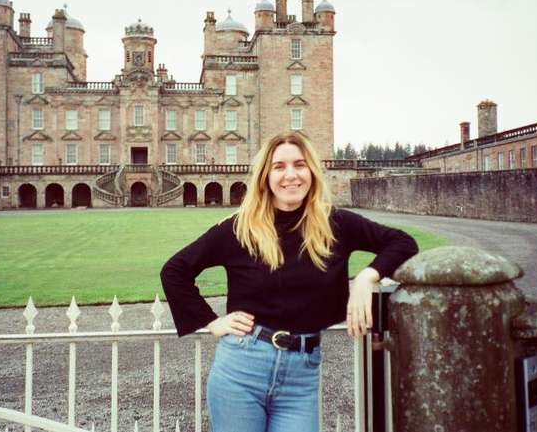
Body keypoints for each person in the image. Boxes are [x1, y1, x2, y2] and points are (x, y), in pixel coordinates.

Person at [160, 132, 418, 432]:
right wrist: (211, 322)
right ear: (265, 176)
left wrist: (367, 276)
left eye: (299, 164)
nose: (291, 175)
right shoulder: (239, 229)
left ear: (311, 171)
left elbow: (402, 243)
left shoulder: (336, 224)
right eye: (279, 166)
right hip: (241, 369)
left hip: (301, 377)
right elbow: (175, 271)